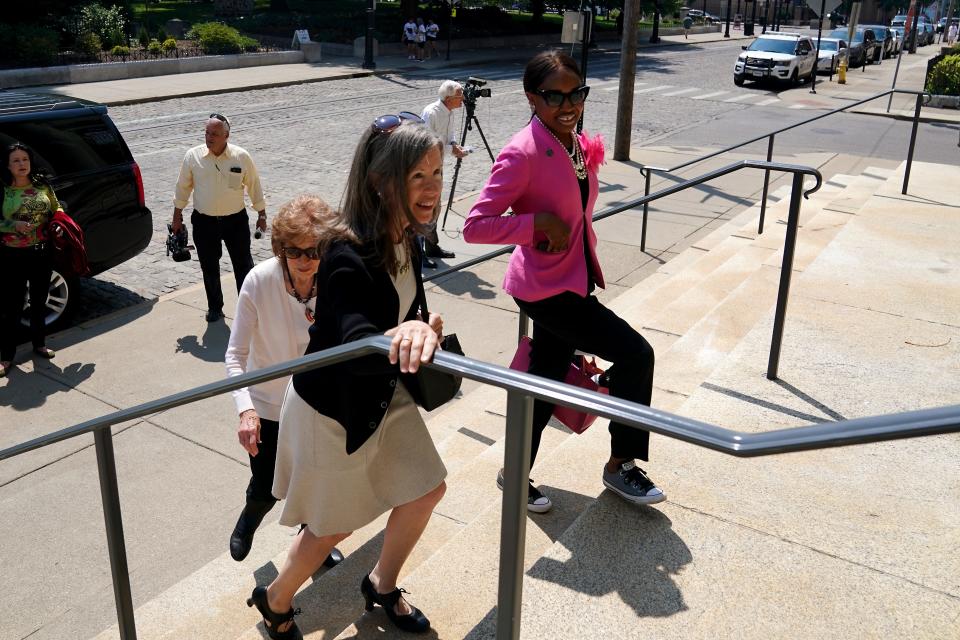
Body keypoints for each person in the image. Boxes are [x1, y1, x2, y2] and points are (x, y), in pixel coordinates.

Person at [246, 116, 447, 638]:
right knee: (333, 525)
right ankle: (274, 600)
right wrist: (401, 332)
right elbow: (353, 339)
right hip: (332, 409)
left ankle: (380, 583)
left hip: (382, 394)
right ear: (383, 180)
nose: (432, 188)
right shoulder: (345, 250)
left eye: (437, 172)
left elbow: (403, 311)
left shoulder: (405, 237)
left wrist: (424, 327)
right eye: (418, 176)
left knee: (426, 489)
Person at [463, 51, 665, 514]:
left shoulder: (573, 142)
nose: (568, 103)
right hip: (545, 290)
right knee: (636, 354)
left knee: (546, 378)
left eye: (577, 92)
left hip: (572, 280)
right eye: (554, 95)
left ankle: (514, 472)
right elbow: (476, 226)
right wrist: (536, 225)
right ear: (533, 98)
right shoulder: (523, 151)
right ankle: (620, 464)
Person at [224, 194, 343, 568]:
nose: (306, 262)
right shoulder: (259, 283)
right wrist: (246, 411)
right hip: (269, 407)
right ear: (280, 249)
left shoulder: (335, 281)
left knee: (316, 481)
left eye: (315, 251)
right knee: (265, 486)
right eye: (295, 252)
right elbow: (234, 355)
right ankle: (249, 519)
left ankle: (311, 541)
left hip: (317, 404)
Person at [172, 113, 267, 323]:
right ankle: (215, 308)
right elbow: (182, 188)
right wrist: (177, 217)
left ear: (226, 135)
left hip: (235, 221)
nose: (209, 137)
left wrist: (261, 213)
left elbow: (254, 184)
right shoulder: (192, 156)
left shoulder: (241, 157)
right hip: (204, 222)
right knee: (209, 266)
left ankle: (248, 309)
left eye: (214, 133)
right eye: (207, 132)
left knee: (243, 265)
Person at [0, 142, 60, 377]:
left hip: (41, 252)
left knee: (39, 302)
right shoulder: (2, 189)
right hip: (11, 255)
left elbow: (57, 208)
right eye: (16, 160)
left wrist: (62, 222)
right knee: (10, 306)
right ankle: (6, 357)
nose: (21, 164)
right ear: (7, 165)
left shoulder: (42, 185)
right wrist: (11, 225)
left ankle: (39, 344)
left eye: (24, 159)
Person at [419, 80, 466, 268]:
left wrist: (453, 144)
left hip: (437, 164)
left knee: (435, 206)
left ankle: (431, 245)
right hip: (425, 167)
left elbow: (449, 135)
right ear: (448, 98)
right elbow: (427, 143)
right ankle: (419, 251)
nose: (463, 98)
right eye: (459, 95)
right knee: (425, 207)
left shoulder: (450, 112)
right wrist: (451, 150)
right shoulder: (432, 112)